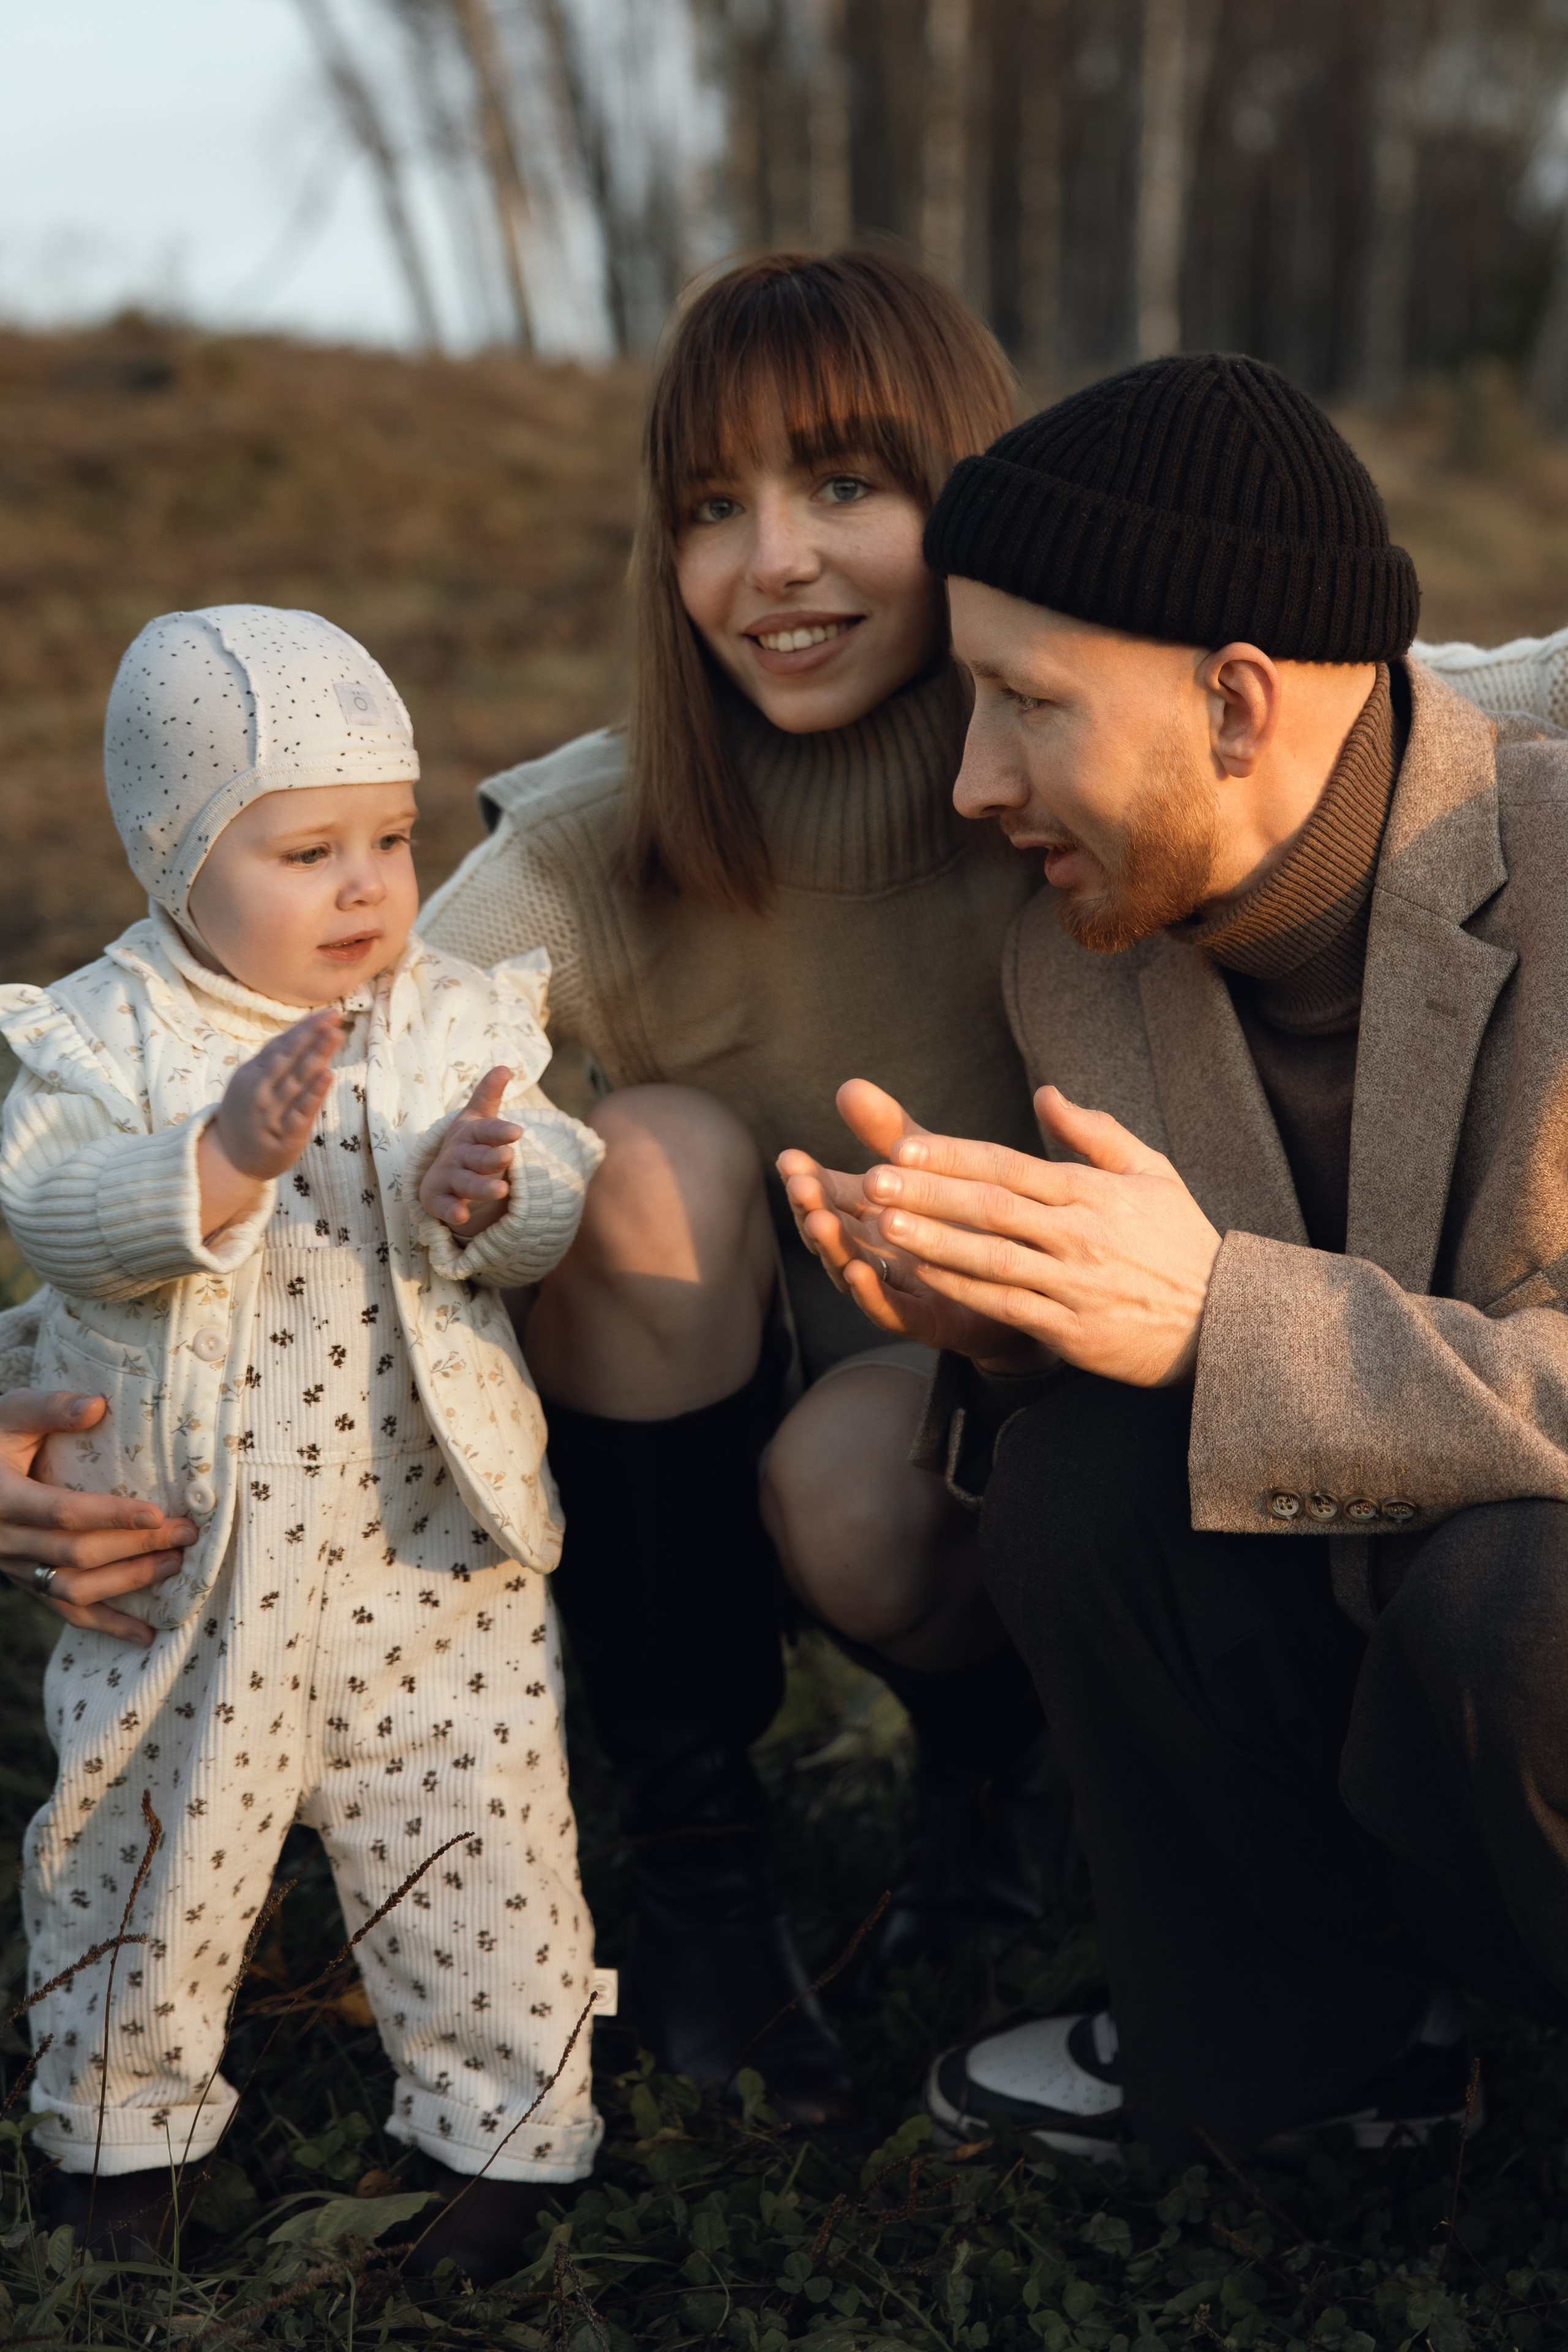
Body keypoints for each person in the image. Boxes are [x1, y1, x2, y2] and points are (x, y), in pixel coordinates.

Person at [782, 353, 1568, 2168]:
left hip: (1514, 1676)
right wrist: (1018, 1334)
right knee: (1072, 1469)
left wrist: (1221, 1316)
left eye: (1022, 702)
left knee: (1526, 1600)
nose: (974, 780)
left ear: (1233, 698)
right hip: (1391, 1750)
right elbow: (1205, 1445)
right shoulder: (1078, 966)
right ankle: (1308, 2054)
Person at [0, 605, 605, 2274]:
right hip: (194, 1572)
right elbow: (55, 1209)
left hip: (434, 1555)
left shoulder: (452, 1013)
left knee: (486, 1837)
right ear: (172, 857)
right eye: (304, 849)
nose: (365, 888)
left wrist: (502, 1195)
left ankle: (505, 2138)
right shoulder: (101, 1034)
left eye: (393, 840)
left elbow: (551, 1171)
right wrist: (214, 1156)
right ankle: (120, 2149)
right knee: (152, 1844)